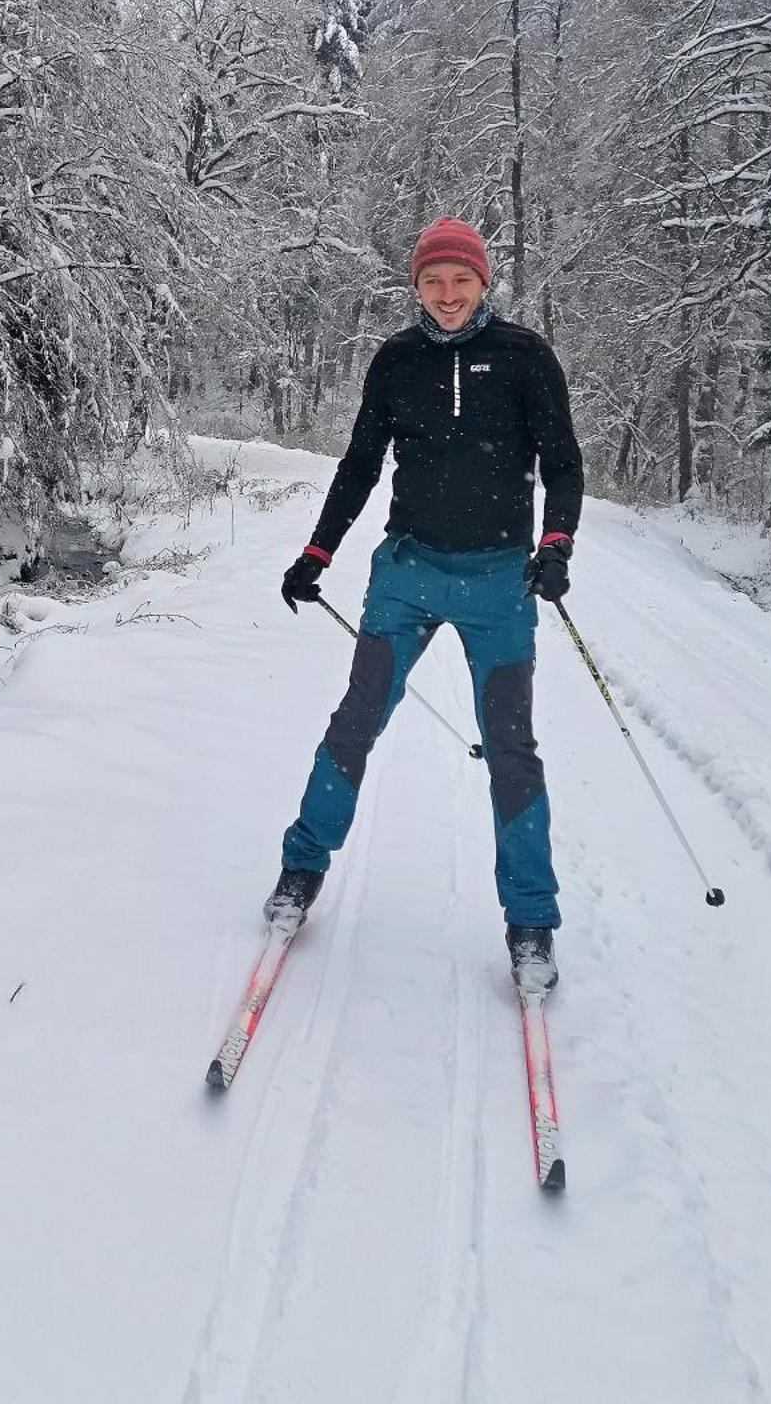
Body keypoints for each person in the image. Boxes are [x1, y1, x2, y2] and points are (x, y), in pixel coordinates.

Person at [269, 216, 583, 992]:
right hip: (406, 572)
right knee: (355, 721)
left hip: (499, 583)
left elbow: (564, 462)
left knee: (510, 750)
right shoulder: (396, 361)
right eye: (432, 281)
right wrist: (319, 550)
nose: (446, 295)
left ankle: (532, 923)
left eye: (460, 280)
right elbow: (360, 465)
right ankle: (301, 870)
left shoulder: (524, 357)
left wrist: (556, 545)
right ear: (416, 285)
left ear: (483, 283)